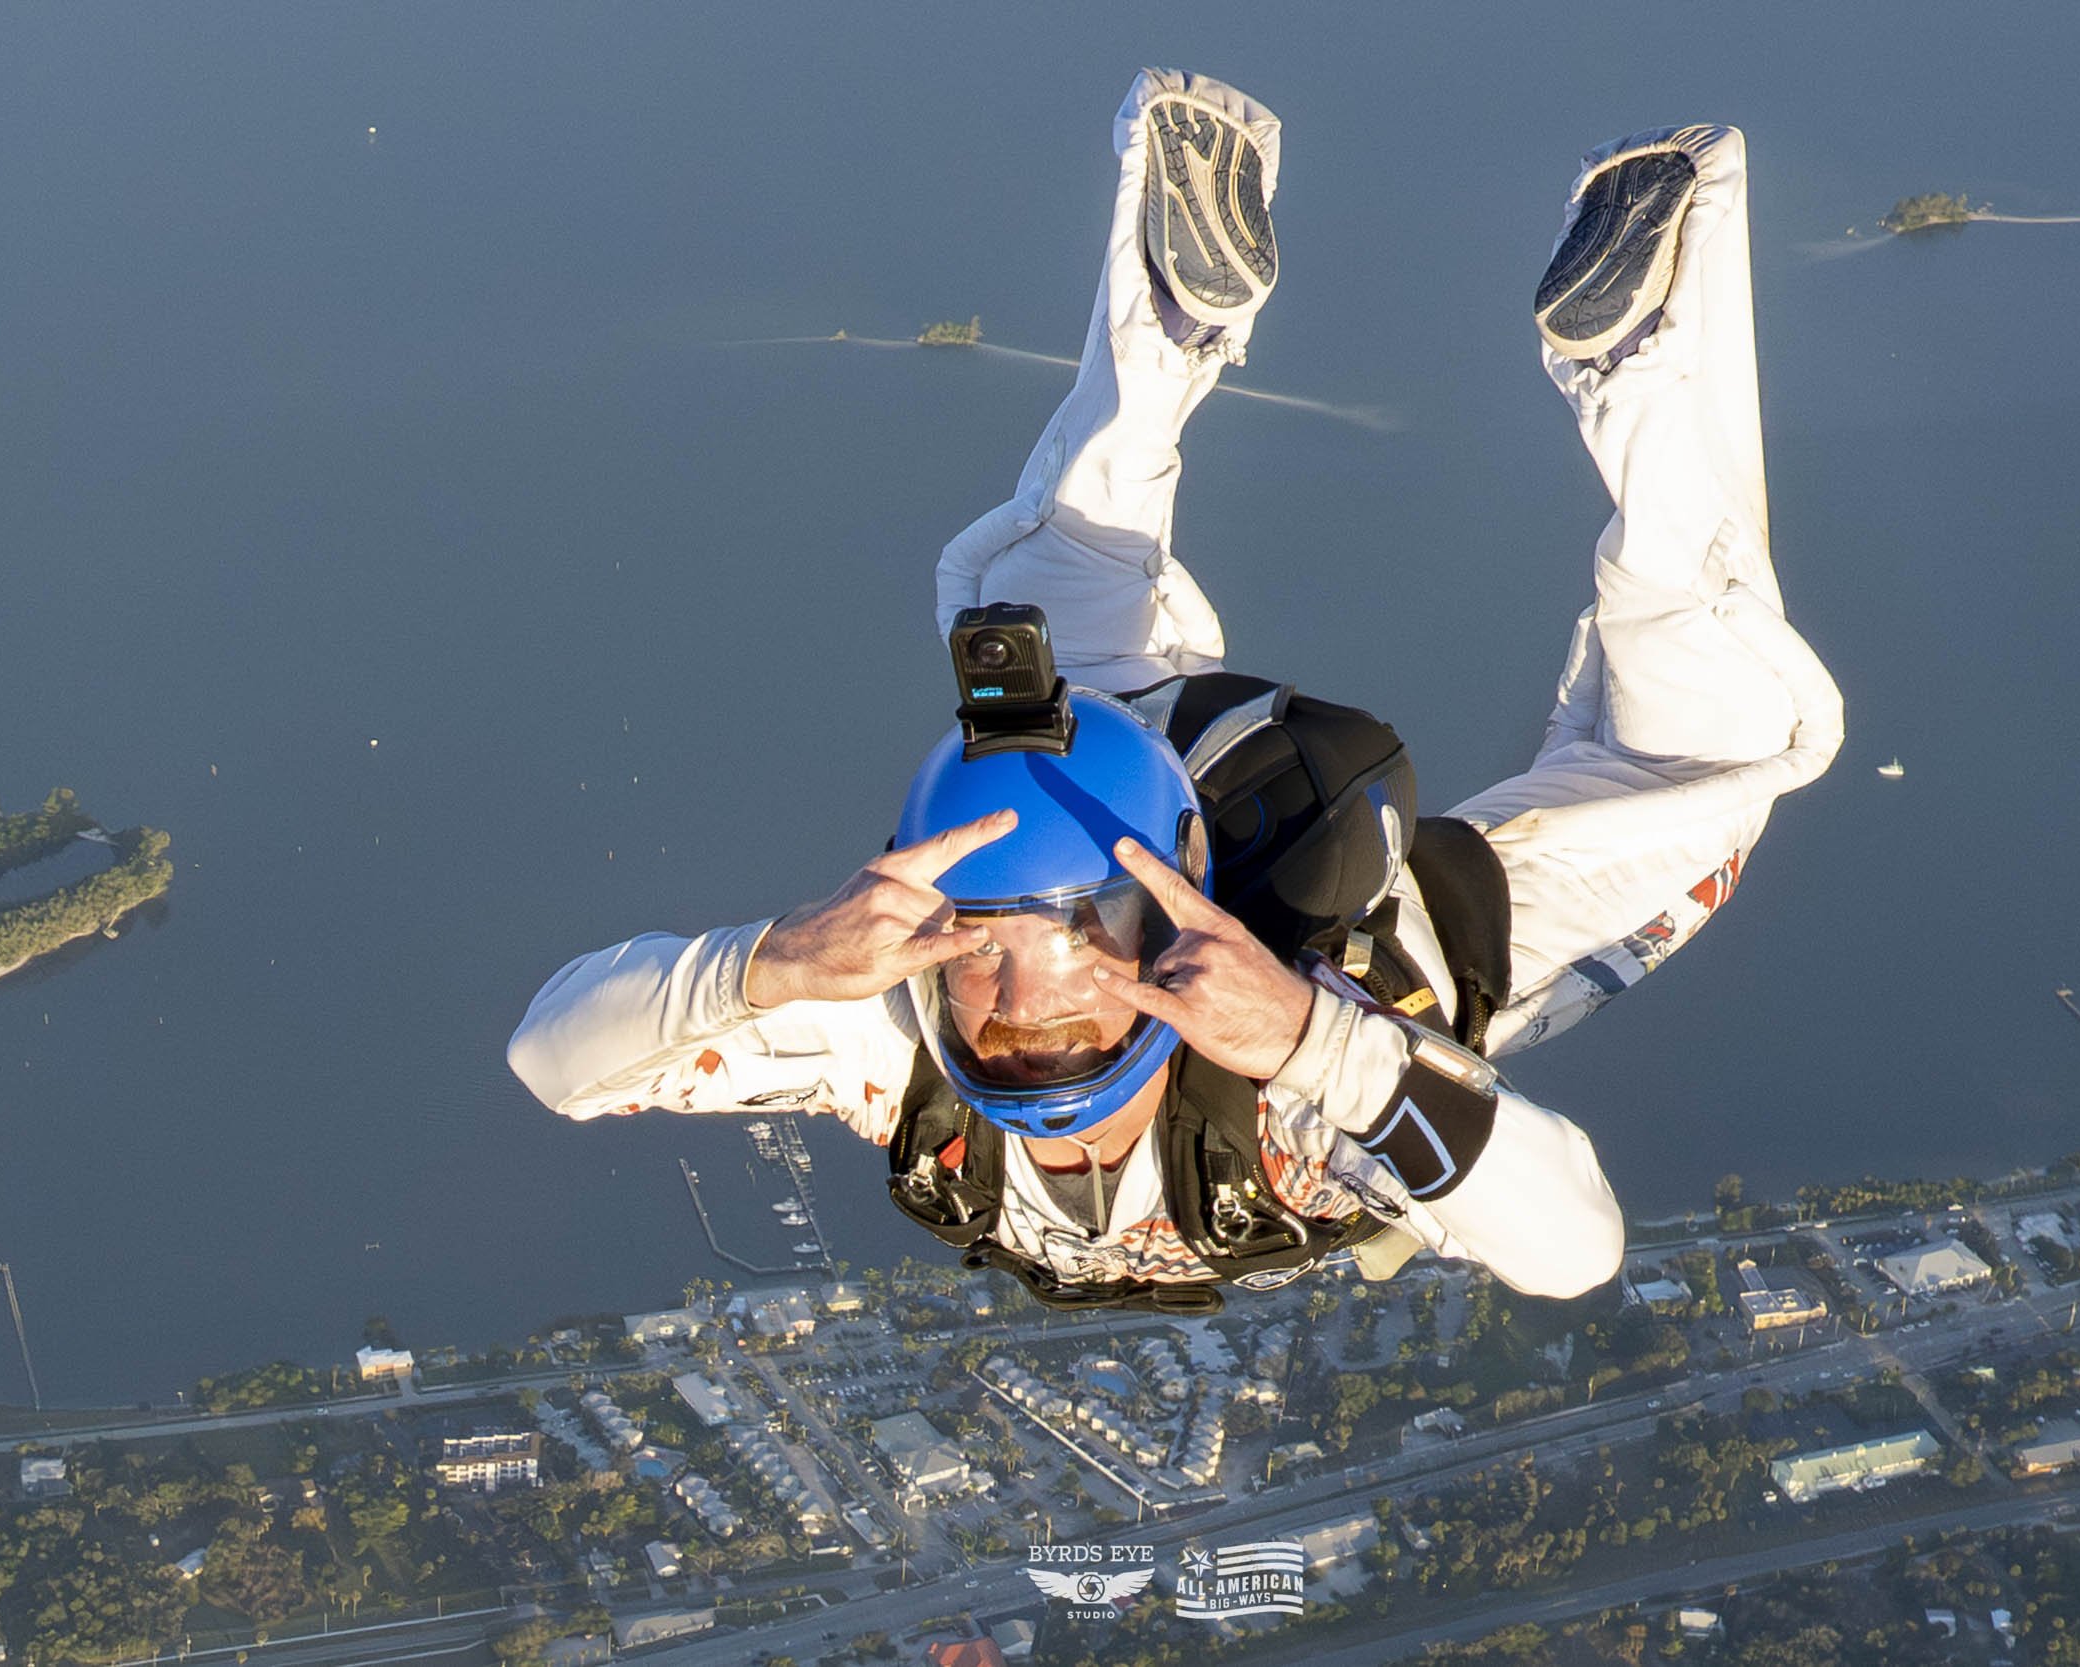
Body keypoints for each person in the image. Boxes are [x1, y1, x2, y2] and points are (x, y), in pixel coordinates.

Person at [507, 69, 1841, 1312]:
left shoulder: (888, 1050)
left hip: (1150, 816)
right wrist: (1322, 1046)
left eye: (1055, 959)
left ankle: (1513, 353)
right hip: (1280, 915)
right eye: (987, 960)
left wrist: (768, 971)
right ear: (921, 934)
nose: (1036, 1007)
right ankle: (1632, 365)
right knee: (1714, 750)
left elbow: (558, 1060)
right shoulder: (1262, 1085)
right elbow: (1569, 1246)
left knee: (1046, 613)